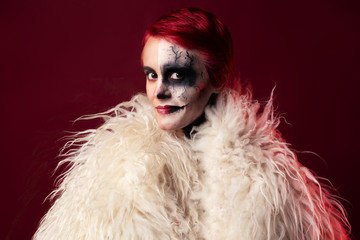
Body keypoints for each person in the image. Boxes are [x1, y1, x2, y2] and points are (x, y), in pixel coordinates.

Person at [33, 7, 350, 240]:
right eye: (151, 75)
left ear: (216, 78)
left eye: (176, 74)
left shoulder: (276, 190)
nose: (158, 91)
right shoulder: (111, 173)